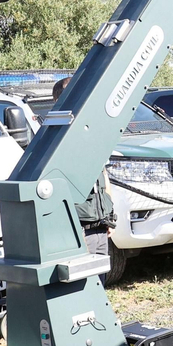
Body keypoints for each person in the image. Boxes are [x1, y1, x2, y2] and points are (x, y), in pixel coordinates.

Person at [52, 77, 117, 274]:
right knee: (84, 284)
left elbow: (104, 176)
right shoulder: (54, 138)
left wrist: (110, 217)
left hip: (100, 228)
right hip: (79, 231)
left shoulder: (91, 133)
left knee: (101, 282)